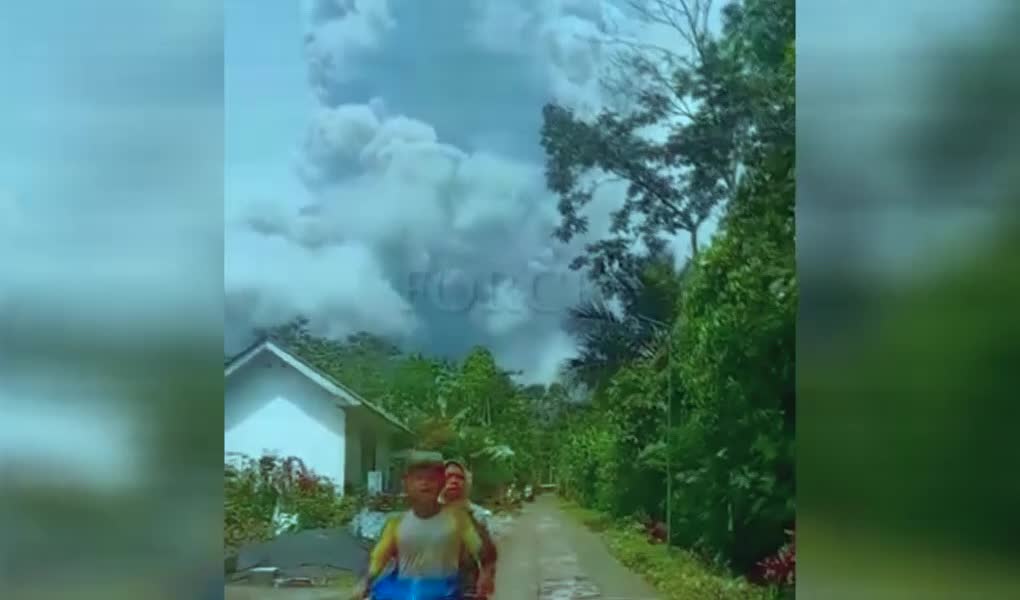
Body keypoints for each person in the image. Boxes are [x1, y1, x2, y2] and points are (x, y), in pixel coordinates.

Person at [354, 452, 493, 600]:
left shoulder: (459, 518)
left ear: (441, 483)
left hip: (447, 591)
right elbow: (378, 559)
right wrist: (364, 583)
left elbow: (482, 553)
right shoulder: (396, 523)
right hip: (404, 592)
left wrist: (485, 576)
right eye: (418, 479)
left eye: (431, 479)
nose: (425, 484)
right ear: (407, 484)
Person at [439, 460, 498, 600]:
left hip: (469, 591)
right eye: (449, 476)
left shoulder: (478, 515)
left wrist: (486, 577)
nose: (454, 481)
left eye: (460, 477)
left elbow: (489, 556)